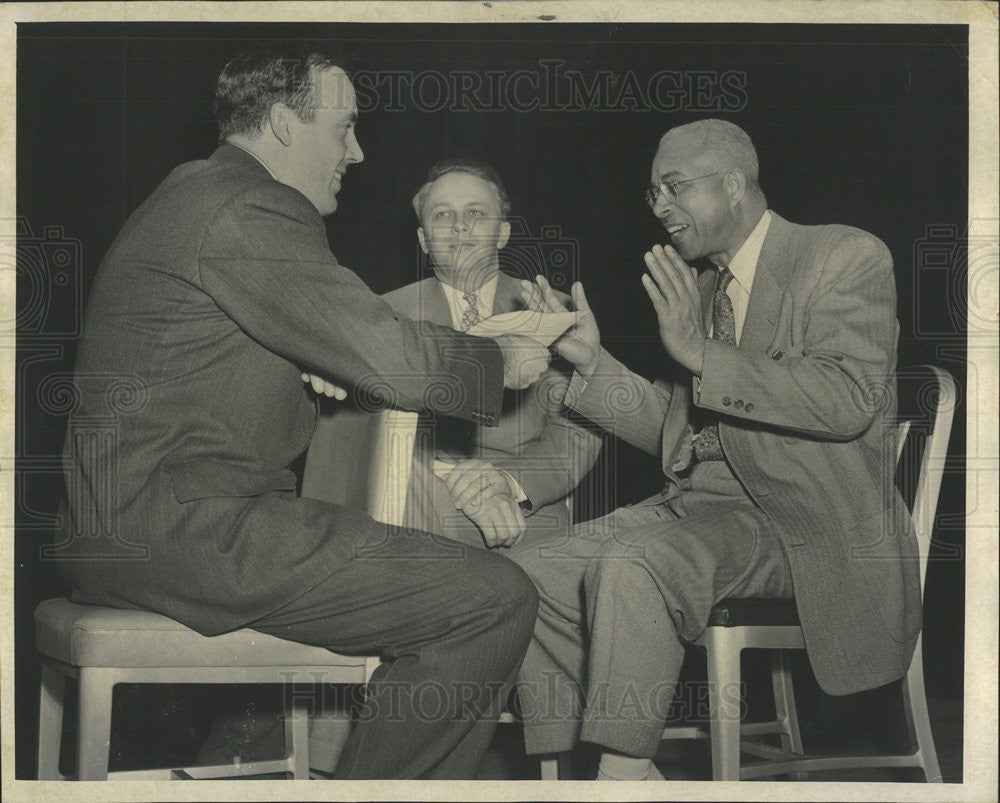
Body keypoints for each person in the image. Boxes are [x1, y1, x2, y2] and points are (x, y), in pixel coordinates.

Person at [57, 43, 552, 779]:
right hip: (185, 526)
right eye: (344, 127)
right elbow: (386, 350)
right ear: (286, 125)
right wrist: (503, 360)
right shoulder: (249, 204)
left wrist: (307, 366)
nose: (357, 150)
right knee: (491, 596)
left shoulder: (191, 194)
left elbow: (223, 350)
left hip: (125, 521)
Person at [515, 119, 921, 780]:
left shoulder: (842, 255)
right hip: (698, 512)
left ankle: (619, 772)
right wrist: (592, 361)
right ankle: (595, 768)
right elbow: (674, 436)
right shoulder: (703, 289)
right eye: (652, 194)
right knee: (530, 571)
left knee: (636, 560)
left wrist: (701, 352)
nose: (660, 207)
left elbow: (850, 396)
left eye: (674, 187)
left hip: (802, 524)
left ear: (734, 185)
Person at [307, 159, 602, 551]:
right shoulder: (380, 315)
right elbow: (358, 446)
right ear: (423, 238)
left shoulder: (550, 308)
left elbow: (578, 435)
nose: (459, 226)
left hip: (522, 507)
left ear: (503, 233)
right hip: (409, 500)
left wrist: (506, 483)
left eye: (476, 214)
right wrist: (460, 487)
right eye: (443, 214)